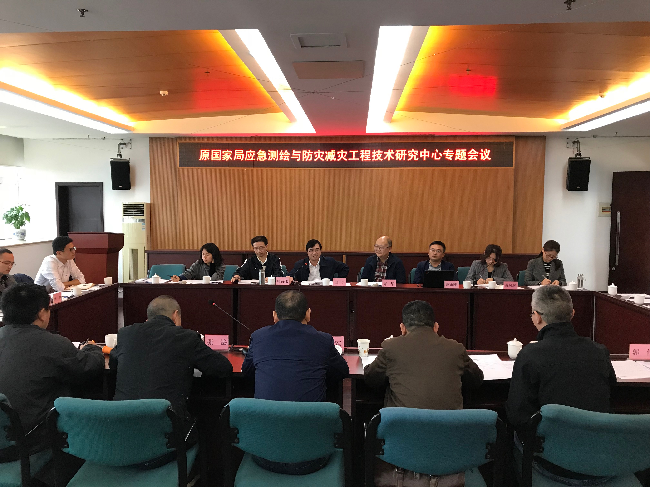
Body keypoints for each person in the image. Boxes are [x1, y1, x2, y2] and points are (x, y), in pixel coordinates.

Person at [506, 285, 617, 483]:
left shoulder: (530, 355)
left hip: (552, 463)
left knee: (509, 436)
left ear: (537, 317)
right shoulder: (599, 351)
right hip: (599, 461)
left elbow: (517, 415)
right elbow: (612, 395)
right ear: (572, 314)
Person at [0, 284, 104, 452]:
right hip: (30, 439)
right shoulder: (52, 343)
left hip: (5, 438)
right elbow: (89, 367)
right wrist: (92, 348)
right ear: (42, 313)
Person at [109, 295, 233, 420]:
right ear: (175, 315)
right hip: (165, 422)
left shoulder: (126, 334)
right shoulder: (186, 337)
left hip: (121, 420)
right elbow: (223, 367)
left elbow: (113, 363)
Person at [364, 300, 483, 409]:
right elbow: (476, 380)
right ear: (436, 327)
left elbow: (371, 378)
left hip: (404, 424)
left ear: (402, 328)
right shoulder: (456, 348)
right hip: (448, 424)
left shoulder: (391, 347)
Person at [241, 290, 349, 401]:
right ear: (308, 314)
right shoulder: (323, 340)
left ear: (275, 315)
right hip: (309, 411)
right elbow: (342, 371)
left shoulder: (258, 337)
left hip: (266, 411)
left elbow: (247, 371)